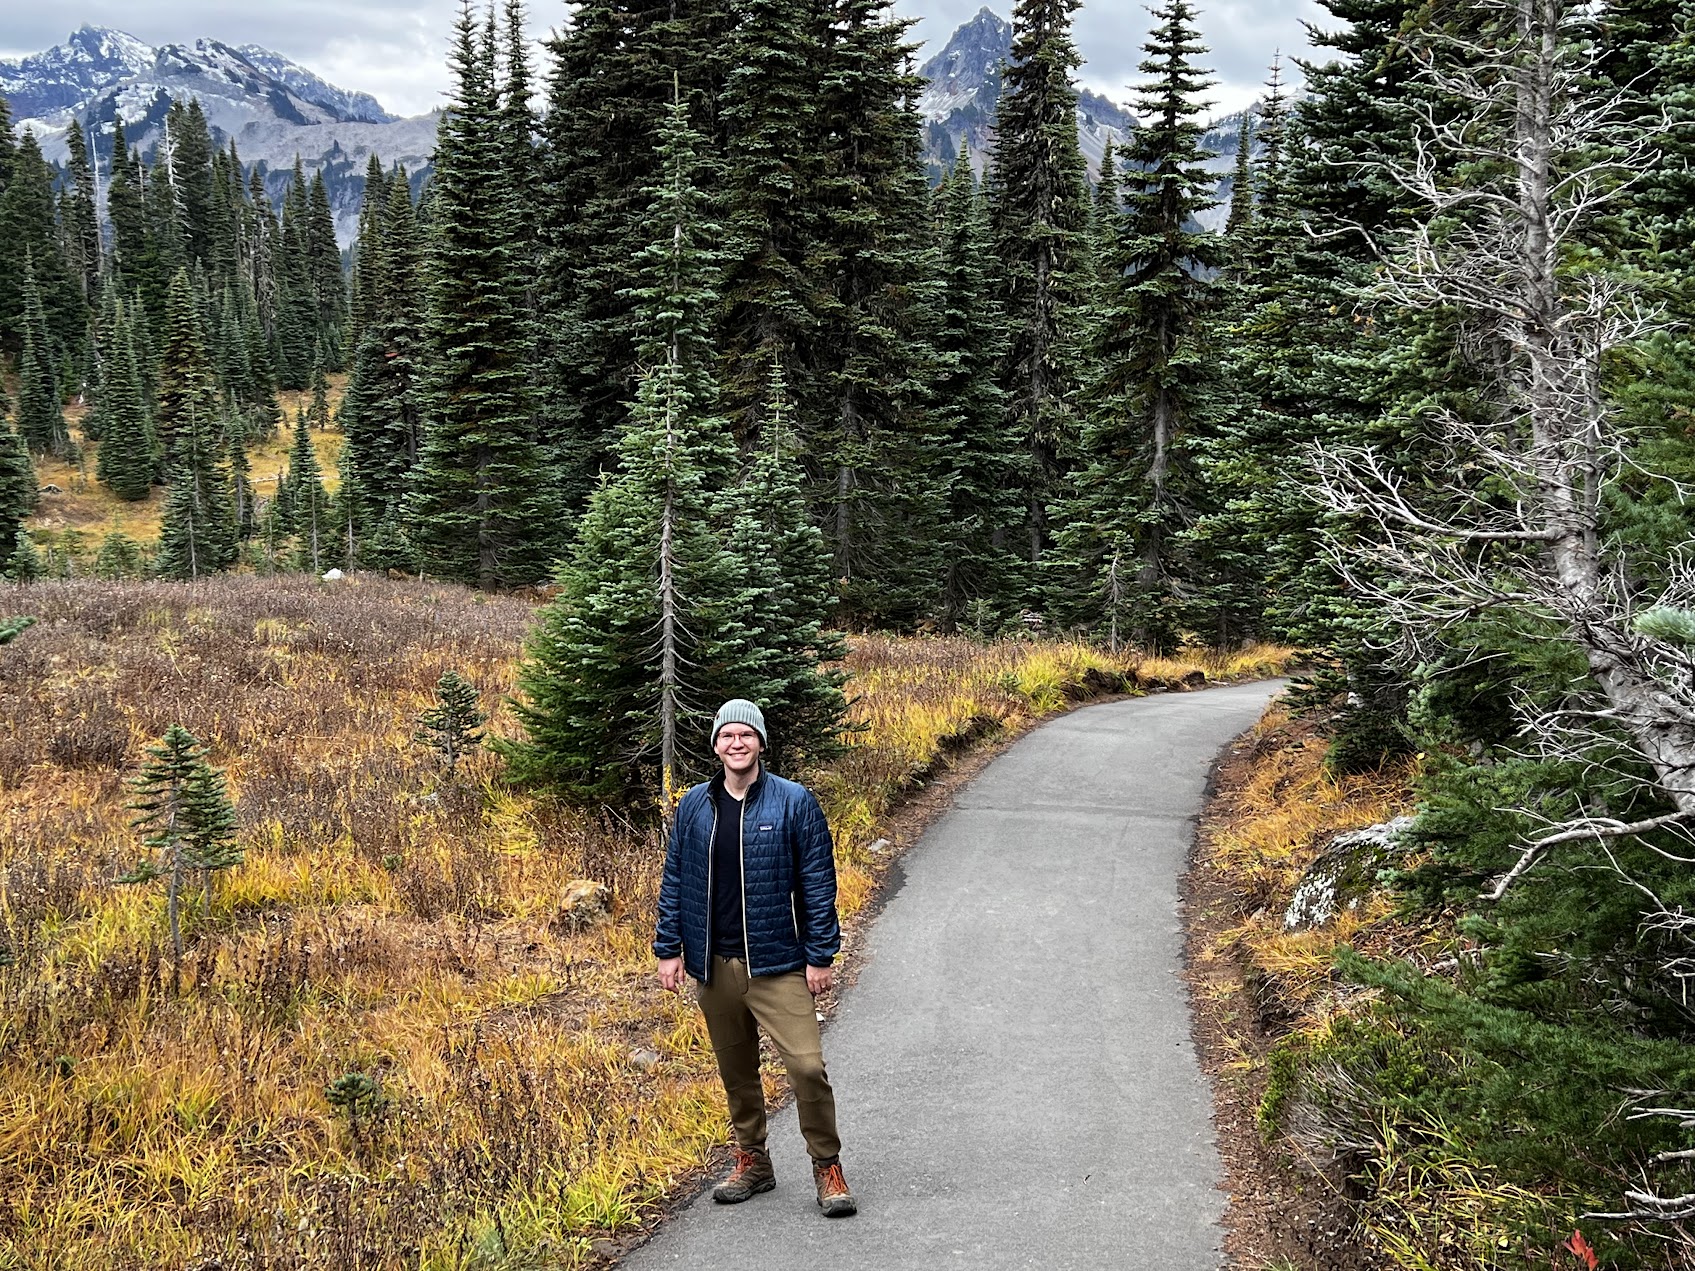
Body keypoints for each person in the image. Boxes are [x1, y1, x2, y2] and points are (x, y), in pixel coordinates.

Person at [654, 698, 857, 1218]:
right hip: (712, 964)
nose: (736, 744)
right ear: (716, 745)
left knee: (807, 1067)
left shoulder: (794, 802)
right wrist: (668, 950)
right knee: (736, 1070)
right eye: (728, 736)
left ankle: (826, 1165)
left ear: (761, 743)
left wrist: (820, 956)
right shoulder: (695, 806)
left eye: (746, 735)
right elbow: (675, 879)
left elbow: (817, 883)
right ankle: (753, 1160)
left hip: (778, 963)